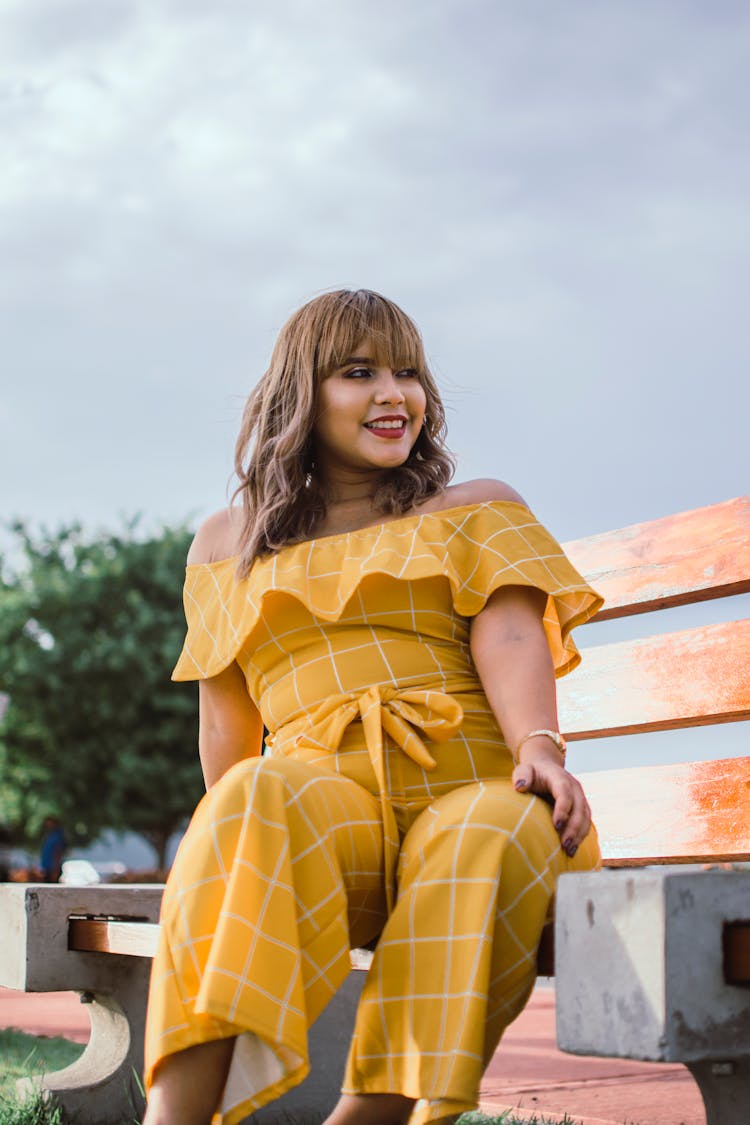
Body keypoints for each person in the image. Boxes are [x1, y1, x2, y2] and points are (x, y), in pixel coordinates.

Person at [143, 289, 603, 1125]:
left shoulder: (471, 508)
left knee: (482, 834)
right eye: (360, 373)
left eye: (409, 373)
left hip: (477, 794)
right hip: (331, 821)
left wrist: (540, 748)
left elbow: (509, 640)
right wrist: (235, 846)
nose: (395, 394)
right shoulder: (227, 543)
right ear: (300, 396)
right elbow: (225, 726)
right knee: (244, 801)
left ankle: (372, 1116)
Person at [39, 815, 67, 883]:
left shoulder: (58, 835)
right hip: (47, 866)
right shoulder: (49, 834)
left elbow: (59, 850)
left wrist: (55, 867)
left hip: (53, 867)